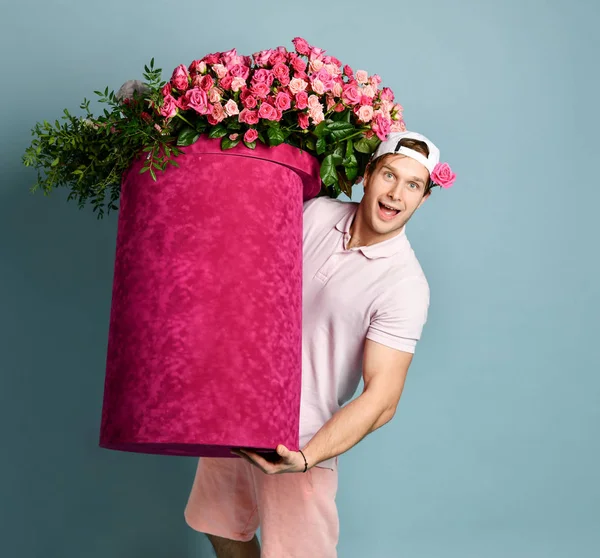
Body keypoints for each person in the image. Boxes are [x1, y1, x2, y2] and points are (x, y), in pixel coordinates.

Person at [183, 131, 455, 558]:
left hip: (299, 438)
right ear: (368, 174)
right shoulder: (315, 212)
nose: (396, 194)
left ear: (423, 200)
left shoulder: (405, 286)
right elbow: (244, 269)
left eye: (413, 185)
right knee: (219, 526)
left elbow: (383, 398)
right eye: (389, 175)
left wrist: (306, 456)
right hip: (235, 413)